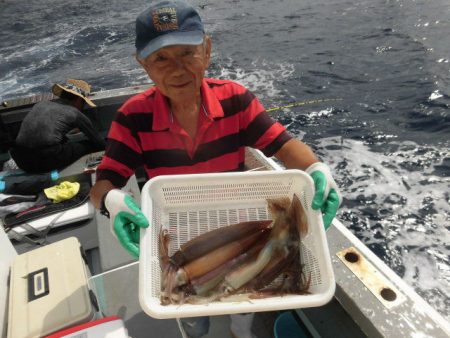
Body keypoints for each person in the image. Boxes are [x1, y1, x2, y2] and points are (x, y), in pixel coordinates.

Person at [89, 1, 342, 337]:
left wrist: (316, 168)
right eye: (161, 59)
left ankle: (240, 329)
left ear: (206, 51)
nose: (176, 69)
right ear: (144, 66)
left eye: (186, 53)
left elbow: (283, 145)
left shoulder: (236, 100)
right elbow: (103, 183)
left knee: (244, 302)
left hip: (237, 221)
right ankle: (197, 328)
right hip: (176, 232)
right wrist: (112, 203)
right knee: (189, 309)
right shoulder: (133, 117)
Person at [10, 79, 106, 173]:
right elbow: (99, 143)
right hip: (45, 161)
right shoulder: (75, 113)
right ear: (79, 99)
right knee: (88, 145)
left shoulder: (40, 104)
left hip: (21, 161)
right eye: (84, 102)